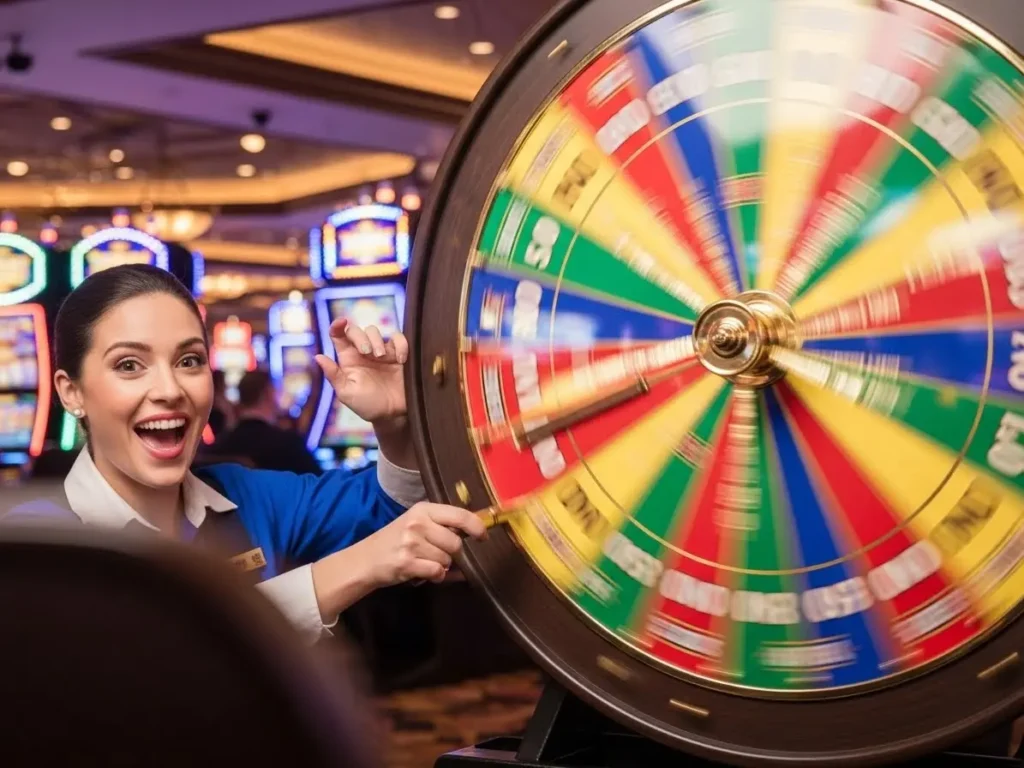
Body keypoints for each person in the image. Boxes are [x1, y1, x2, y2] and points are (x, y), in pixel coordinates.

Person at [5, 264, 486, 642]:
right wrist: (349, 569)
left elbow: (391, 509)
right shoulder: (33, 546)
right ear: (71, 393)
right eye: (129, 365)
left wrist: (393, 422)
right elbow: (150, 662)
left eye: (189, 360)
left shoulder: (245, 494)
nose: (170, 389)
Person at [211, 369, 322, 475]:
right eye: (277, 391)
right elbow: (321, 485)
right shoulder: (286, 444)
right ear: (269, 393)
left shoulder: (220, 445)